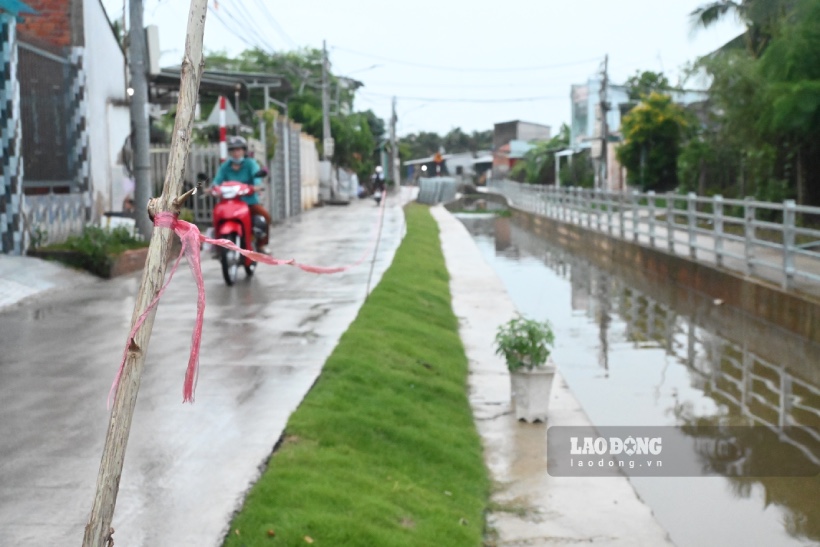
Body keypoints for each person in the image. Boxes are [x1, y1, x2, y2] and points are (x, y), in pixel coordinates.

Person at [212, 135, 272, 254]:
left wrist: (256, 186)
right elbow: (217, 181)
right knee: (216, 216)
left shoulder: (251, 164)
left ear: (244, 151)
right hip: (229, 203)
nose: (236, 153)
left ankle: (261, 244)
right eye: (233, 150)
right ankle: (217, 246)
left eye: (239, 149)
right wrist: (213, 188)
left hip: (249, 202)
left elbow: (257, 178)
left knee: (265, 216)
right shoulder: (225, 166)